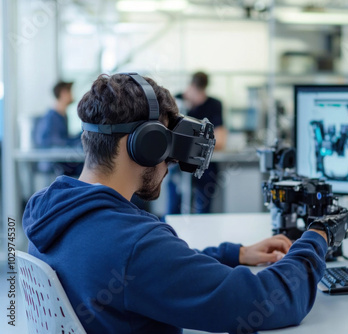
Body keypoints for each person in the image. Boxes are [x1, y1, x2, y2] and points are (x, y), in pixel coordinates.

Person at [22, 73, 329, 334]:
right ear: (146, 144)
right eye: (166, 144)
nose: (169, 162)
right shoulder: (135, 245)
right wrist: (317, 237)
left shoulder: (48, 208)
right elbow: (271, 300)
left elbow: (154, 267)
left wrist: (235, 254)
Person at [167, 71, 227, 214]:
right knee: (174, 208)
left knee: (203, 210)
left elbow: (221, 140)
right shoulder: (178, 100)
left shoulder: (214, 105)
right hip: (178, 167)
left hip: (205, 168)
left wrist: (188, 143)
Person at [34, 80, 83, 175]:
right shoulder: (52, 117)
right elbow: (56, 141)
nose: (72, 95)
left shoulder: (62, 116)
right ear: (63, 93)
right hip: (54, 163)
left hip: (60, 159)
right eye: (70, 92)